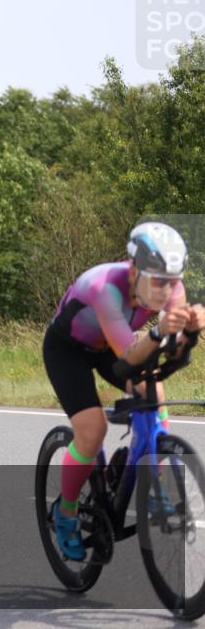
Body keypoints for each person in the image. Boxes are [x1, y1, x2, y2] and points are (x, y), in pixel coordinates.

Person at [44, 222, 205, 561]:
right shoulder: (104, 287)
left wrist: (188, 336)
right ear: (133, 269)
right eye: (157, 280)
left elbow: (170, 356)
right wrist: (161, 331)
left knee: (155, 394)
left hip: (109, 347)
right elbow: (127, 359)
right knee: (92, 430)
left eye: (173, 281)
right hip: (68, 350)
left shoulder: (172, 289)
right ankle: (67, 512)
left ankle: (154, 483)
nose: (165, 291)